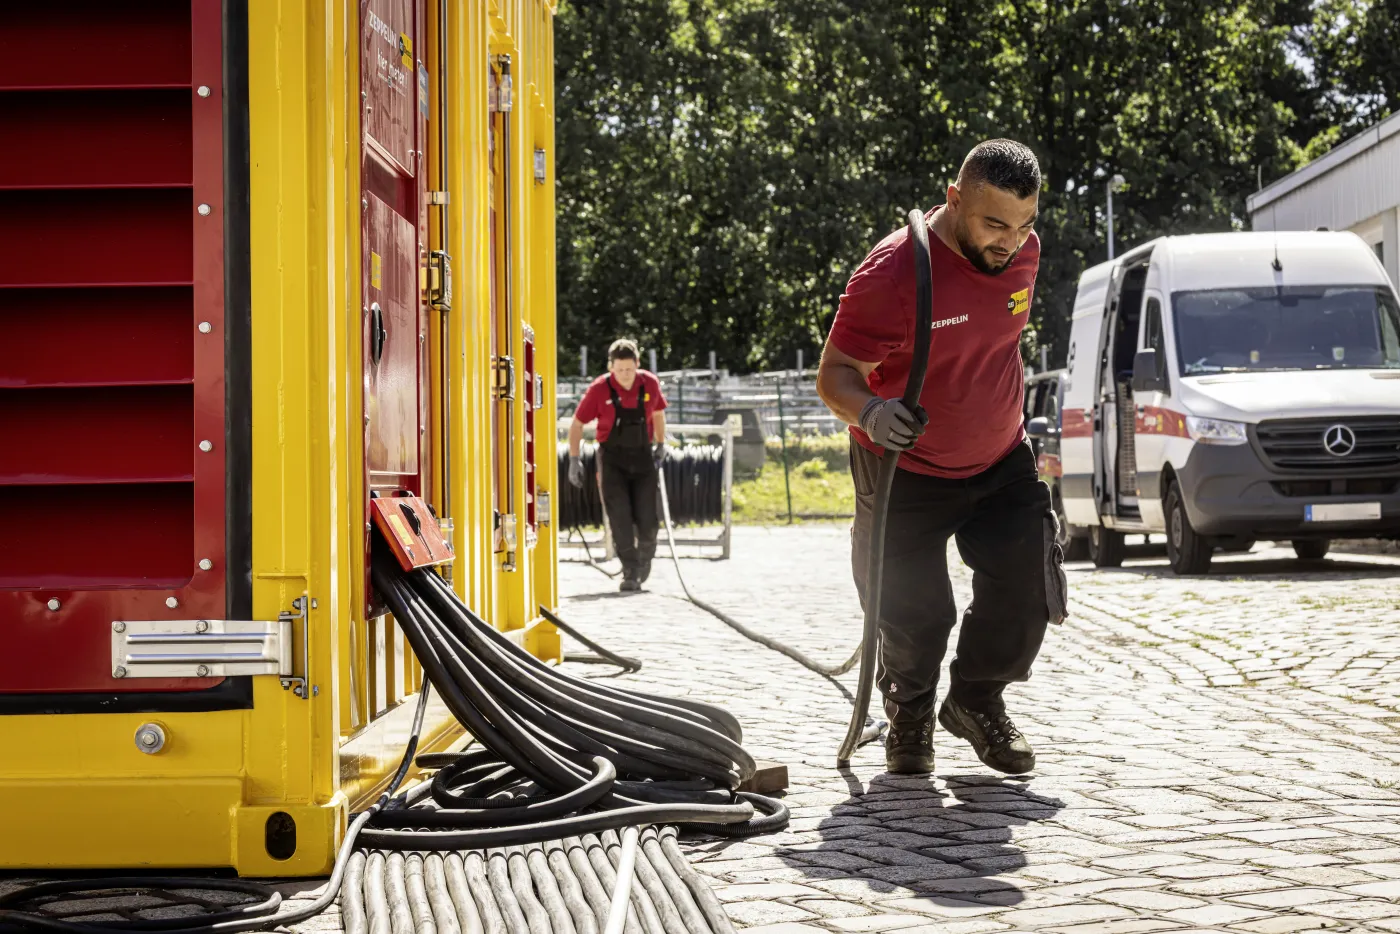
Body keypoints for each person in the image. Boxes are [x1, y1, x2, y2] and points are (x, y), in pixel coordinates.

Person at [816, 139, 1068, 776]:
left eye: (1024, 224)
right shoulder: (893, 275)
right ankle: (909, 711)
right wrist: (871, 411)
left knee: (1029, 585)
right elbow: (835, 376)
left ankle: (977, 701)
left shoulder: (1023, 255)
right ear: (954, 200)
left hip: (1001, 457)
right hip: (907, 467)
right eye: (994, 224)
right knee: (916, 613)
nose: (1011, 242)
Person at [567, 339, 668, 592]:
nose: (625, 375)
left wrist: (661, 444)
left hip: (643, 457)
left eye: (629, 369)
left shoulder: (650, 384)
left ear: (637, 365)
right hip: (612, 460)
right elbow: (577, 424)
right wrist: (573, 459)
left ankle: (645, 556)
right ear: (611, 367)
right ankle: (630, 572)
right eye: (620, 369)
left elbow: (657, 413)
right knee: (620, 518)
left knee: (648, 520)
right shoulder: (600, 389)